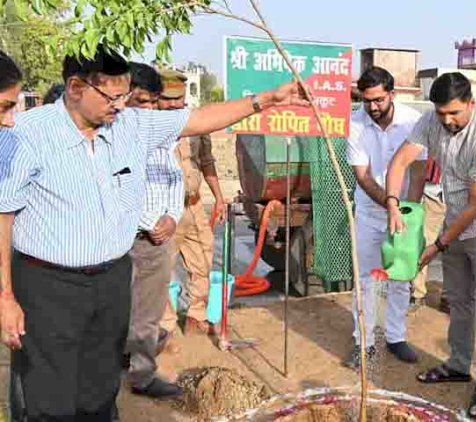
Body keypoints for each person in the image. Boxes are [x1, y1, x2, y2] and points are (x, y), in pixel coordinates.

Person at [0, 45, 305, 420]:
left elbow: (199, 118)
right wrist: (6, 296)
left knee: (100, 386)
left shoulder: (130, 125)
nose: (120, 105)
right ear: (76, 88)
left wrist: (267, 100)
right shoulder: (28, 134)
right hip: (48, 286)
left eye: (124, 95)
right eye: (112, 96)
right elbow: (4, 216)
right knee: (49, 394)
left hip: (111, 280)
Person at [386, 72, 476, 420]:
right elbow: (402, 160)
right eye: (442, 113)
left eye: (455, 114)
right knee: (459, 300)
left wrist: (438, 245)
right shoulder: (432, 120)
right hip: (457, 217)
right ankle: (459, 363)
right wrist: (394, 205)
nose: (447, 121)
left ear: (471, 104)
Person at [344, 66, 422, 367]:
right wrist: (390, 206)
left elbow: (417, 172)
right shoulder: (355, 124)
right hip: (369, 212)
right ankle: (362, 342)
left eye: (378, 99)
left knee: (400, 278)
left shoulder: (413, 122)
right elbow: (363, 177)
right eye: (367, 101)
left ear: (392, 94)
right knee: (365, 278)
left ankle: (395, 337)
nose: (373, 107)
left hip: (403, 214)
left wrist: (408, 214)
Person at [124, 62, 185, 398]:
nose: (149, 110)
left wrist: (172, 218)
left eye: (153, 103)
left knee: (148, 314)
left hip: (155, 241)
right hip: (122, 241)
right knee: (113, 313)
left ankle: (142, 377)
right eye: (141, 102)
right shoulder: (113, 135)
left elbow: (174, 180)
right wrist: (149, 222)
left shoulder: (163, 137)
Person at [158, 69, 227, 337]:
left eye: (179, 99)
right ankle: (164, 326)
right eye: (168, 99)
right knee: (160, 270)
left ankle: (197, 318)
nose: (174, 104)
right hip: (163, 210)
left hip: (194, 206)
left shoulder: (196, 122)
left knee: (203, 263)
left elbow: (206, 161)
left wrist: (219, 197)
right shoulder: (148, 125)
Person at [410, 157, 447, 312]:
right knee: (424, 243)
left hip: (460, 194)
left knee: (457, 248)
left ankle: (450, 295)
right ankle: (417, 293)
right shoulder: (432, 133)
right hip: (433, 192)